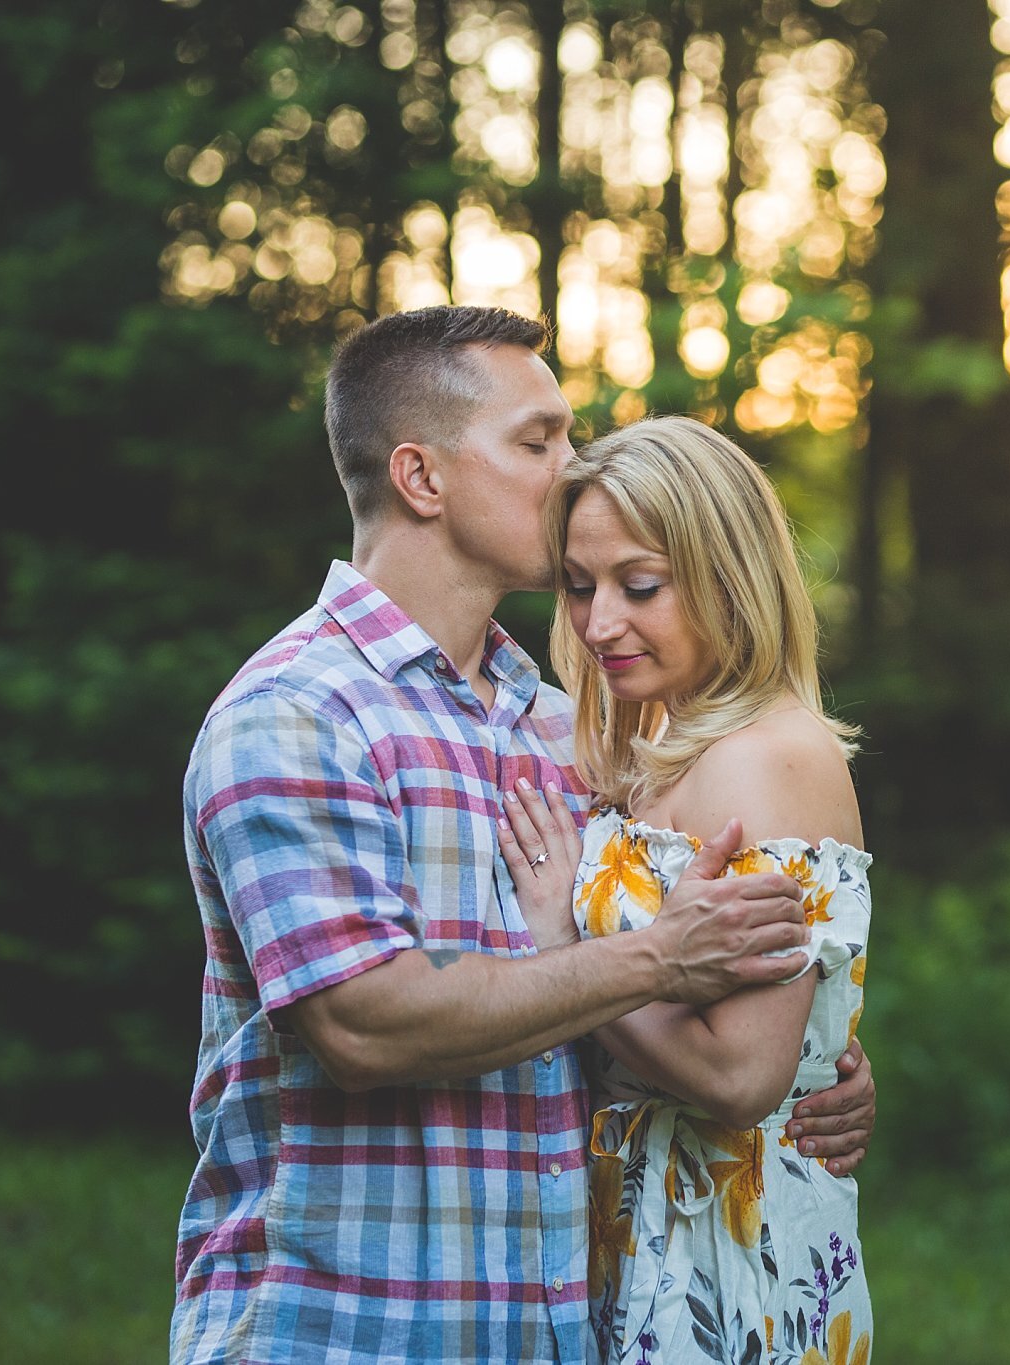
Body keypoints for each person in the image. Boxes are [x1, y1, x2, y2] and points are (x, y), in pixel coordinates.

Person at [172, 306, 875, 1365]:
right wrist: (656, 960)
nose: (572, 466)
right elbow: (365, 1026)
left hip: (552, 1327)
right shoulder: (296, 714)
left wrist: (818, 1069)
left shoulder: (559, 727)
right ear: (421, 478)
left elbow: (648, 1023)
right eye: (538, 440)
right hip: (343, 1332)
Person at [493, 417, 874, 1365]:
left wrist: (563, 953)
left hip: (724, 1246)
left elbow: (744, 1077)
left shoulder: (768, 761)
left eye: (641, 585)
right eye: (580, 587)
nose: (598, 622)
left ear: (727, 573)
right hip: (640, 1219)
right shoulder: (659, 746)